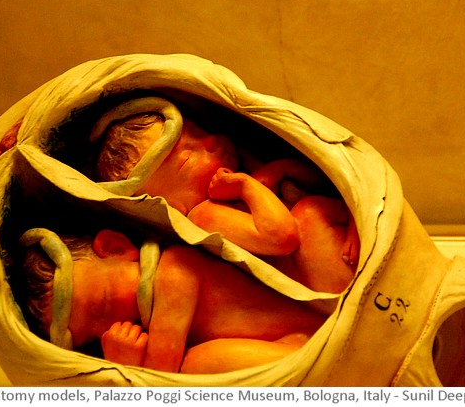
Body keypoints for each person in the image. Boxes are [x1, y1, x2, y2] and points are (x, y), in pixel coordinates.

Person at [94, 104, 359, 293]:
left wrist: (281, 168)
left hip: (342, 245)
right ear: (173, 206)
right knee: (309, 214)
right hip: (326, 282)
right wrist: (247, 185)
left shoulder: (239, 168)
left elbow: (323, 184)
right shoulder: (204, 216)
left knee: (318, 202)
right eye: (188, 157)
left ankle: (359, 224)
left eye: (197, 132)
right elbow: (282, 236)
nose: (210, 141)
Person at [19, 228, 325, 374]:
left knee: (192, 366)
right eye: (92, 338)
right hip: (279, 353)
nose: (110, 329)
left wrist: (125, 365)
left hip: (298, 343)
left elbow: (163, 377)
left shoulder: (174, 270)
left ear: (116, 247)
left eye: (103, 304)